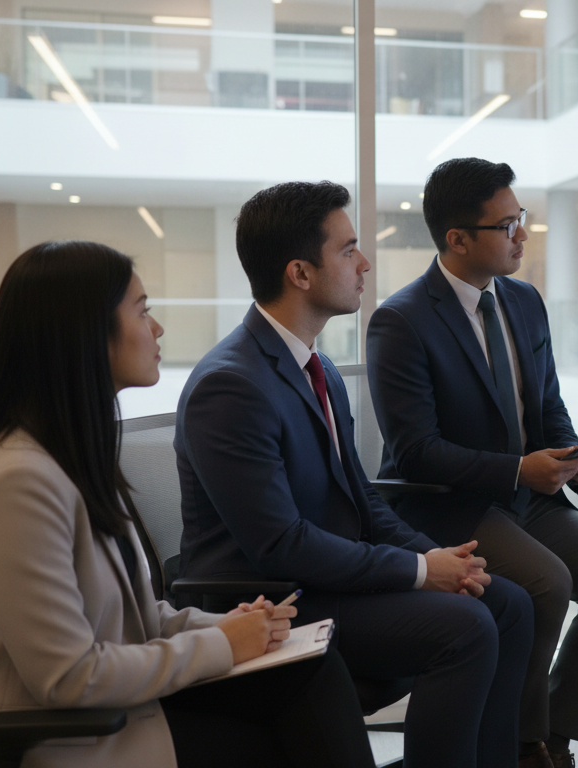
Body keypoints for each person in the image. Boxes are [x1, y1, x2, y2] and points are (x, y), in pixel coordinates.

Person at [0, 240, 377, 768]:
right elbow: (67, 676)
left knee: (310, 670)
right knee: (280, 737)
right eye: (142, 311)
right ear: (86, 334)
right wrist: (223, 646)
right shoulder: (17, 482)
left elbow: (135, 620)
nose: (157, 329)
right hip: (58, 740)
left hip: (115, 713)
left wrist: (232, 627)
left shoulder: (68, 457)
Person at [174, 181, 533, 768]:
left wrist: (443, 561)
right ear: (300, 273)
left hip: (328, 579)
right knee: (464, 628)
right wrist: (419, 571)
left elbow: (362, 500)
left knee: (507, 603)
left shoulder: (317, 366)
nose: (364, 264)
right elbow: (279, 544)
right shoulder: (231, 385)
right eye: (348, 250)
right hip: (273, 599)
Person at [367, 157, 578, 768]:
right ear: (458, 239)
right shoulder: (401, 319)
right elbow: (416, 448)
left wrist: (575, 454)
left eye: (522, 218)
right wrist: (517, 470)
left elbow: (547, 403)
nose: (522, 233)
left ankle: (552, 733)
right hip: (448, 504)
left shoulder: (522, 301)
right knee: (549, 581)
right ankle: (523, 748)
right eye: (507, 224)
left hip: (529, 500)